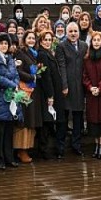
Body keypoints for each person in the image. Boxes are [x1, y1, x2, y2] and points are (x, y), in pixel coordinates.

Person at [55, 22, 88, 156]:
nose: (73, 34)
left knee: (78, 118)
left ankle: (76, 145)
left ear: (78, 32)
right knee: (63, 119)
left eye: (75, 31)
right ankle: (60, 148)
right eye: (70, 31)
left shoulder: (84, 46)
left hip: (80, 87)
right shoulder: (61, 46)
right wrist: (64, 85)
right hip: (66, 88)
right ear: (66, 33)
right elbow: (61, 66)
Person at [0, 33, 22, 169]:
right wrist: (12, 84)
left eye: (6, 44)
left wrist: (14, 84)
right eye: (1, 43)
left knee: (9, 131)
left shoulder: (10, 59)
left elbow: (16, 75)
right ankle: (0, 159)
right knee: (0, 132)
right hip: (0, 98)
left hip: (11, 99)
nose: (4, 46)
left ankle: (9, 158)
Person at [82, 31, 101, 159]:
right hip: (92, 96)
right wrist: (90, 88)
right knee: (94, 122)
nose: (96, 42)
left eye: (98, 40)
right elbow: (84, 76)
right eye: (94, 40)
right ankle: (96, 146)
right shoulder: (87, 59)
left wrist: (100, 88)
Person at [14, 30, 43, 163]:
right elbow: (18, 71)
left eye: (33, 38)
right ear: (24, 39)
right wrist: (33, 77)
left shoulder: (35, 54)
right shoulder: (20, 53)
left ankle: (28, 148)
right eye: (29, 38)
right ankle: (21, 150)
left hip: (33, 92)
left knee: (31, 121)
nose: (31, 40)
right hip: (24, 91)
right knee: (24, 122)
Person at [36, 30, 66, 159]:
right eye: (45, 39)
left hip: (55, 91)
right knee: (47, 122)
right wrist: (50, 95)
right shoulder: (42, 54)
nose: (47, 42)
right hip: (49, 93)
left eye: (49, 39)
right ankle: (43, 150)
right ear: (41, 41)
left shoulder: (49, 53)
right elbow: (46, 77)